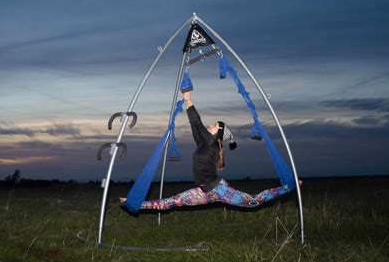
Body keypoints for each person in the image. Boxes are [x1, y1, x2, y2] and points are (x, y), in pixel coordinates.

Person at [120, 90, 300, 210]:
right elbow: (195, 126)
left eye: (214, 126)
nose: (210, 125)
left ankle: (288, 187)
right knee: (173, 202)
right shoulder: (204, 144)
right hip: (202, 192)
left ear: (218, 135)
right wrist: (188, 105)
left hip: (220, 191)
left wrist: (189, 100)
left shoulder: (212, 144)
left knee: (252, 201)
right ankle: (135, 203)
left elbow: (198, 123)